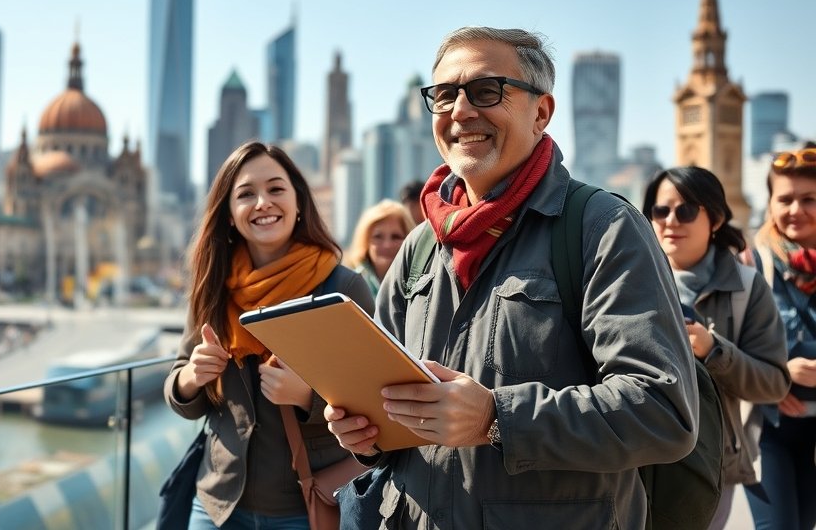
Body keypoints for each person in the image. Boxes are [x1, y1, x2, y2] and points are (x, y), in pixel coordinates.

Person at [324, 26, 698, 529]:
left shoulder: (601, 228)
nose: (460, 111)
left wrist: (496, 418)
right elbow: (390, 402)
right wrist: (366, 436)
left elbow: (662, 411)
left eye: (486, 91)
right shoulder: (419, 248)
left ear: (541, 112)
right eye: (444, 95)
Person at [163, 141, 375, 529]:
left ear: (298, 203)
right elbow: (180, 390)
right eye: (245, 194)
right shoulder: (213, 286)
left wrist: (307, 398)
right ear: (229, 214)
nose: (263, 202)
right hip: (217, 505)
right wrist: (192, 378)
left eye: (276, 189)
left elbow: (377, 398)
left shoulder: (342, 288)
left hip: (307, 505)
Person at [642, 166, 790, 530]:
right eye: (661, 211)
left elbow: (774, 383)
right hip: (637, 453)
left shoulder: (746, 287)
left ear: (716, 218)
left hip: (710, 461)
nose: (671, 221)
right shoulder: (629, 279)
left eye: (687, 210)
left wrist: (714, 351)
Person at [745, 143, 816, 530]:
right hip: (768, 427)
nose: (795, 210)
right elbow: (724, 344)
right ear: (770, 203)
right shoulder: (749, 266)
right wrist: (776, 373)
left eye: (809, 199)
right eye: (784, 199)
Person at [343, 200, 416, 297]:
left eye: (396, 236)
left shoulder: (421, 286)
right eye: (378, 236)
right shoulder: (348, 287)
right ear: (365, 241)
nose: (387, 245)